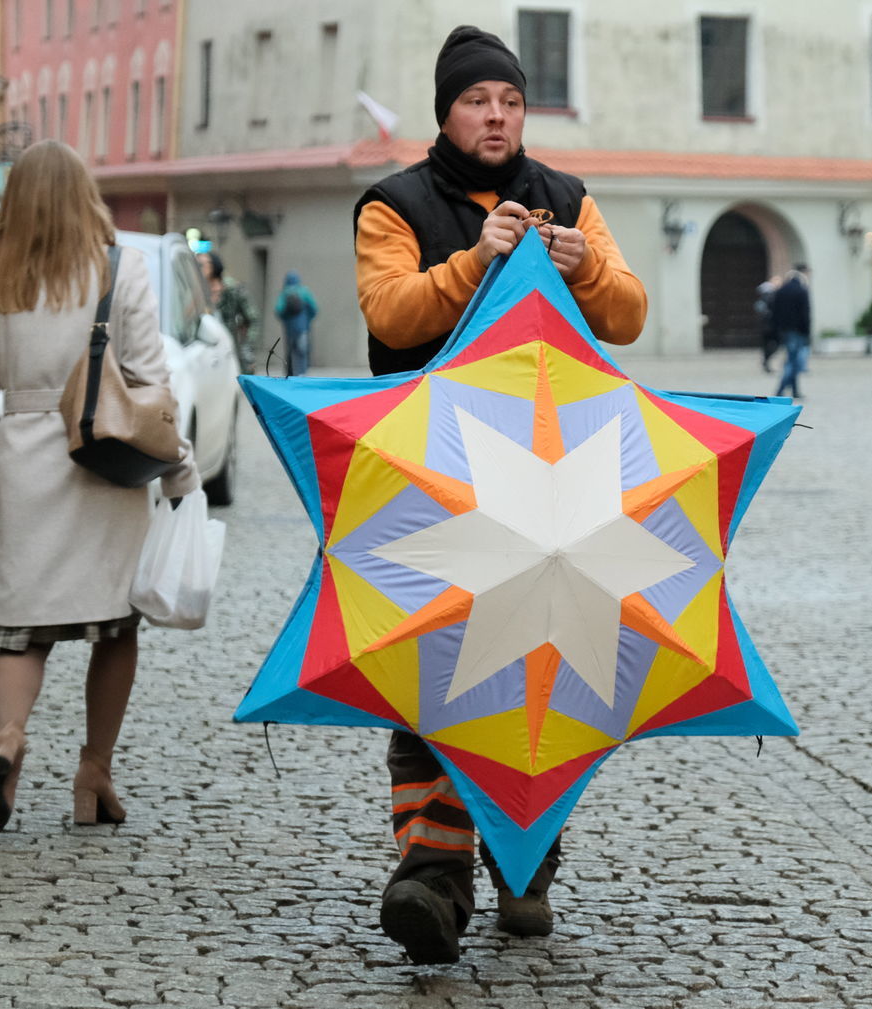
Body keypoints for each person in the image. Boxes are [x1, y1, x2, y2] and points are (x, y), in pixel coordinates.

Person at [352, 24, 647, 965]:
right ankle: (434, 875)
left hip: (552, 481)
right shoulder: (394, 204)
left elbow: (630, 314)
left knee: (548, 667)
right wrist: (475, 261)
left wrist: (586, 266)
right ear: (446, 110)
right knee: (428, 665)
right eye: (479, 101)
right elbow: (390, 314)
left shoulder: (566, 197)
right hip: (427, 482)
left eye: (511, 102)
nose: (496, 116)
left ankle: (526, 861)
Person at [0, 140, 198, 835]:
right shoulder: (118, 269)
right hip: (103, 460)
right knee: (114, 625)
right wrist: (177, 461)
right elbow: (150, 376)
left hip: (25, 462)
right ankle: (94, 771)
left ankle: (8, 737)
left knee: (20, 628)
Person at [199, 251, 259, 373]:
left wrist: (248, 346)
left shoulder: (232, 289)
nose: (200, 267)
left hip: (230, 350)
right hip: (203, 352)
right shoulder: (195, 290)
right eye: (198, 264)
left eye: (204, 264)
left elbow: (253, 318)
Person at [771, 263, 811, 399]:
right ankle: (780, 389)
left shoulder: (782, 290)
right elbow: (805, 314)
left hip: (785, 330)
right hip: (798, 331)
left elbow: (775, 312)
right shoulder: (801, 290)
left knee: (792, 359)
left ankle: (794, 390)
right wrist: (806, 333)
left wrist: (777, 331)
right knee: (793, 362)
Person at [273, 271, 318, 375]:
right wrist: (308, 320)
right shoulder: (304, 292)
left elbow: (278, 310)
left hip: (289, 329)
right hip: (303, 327)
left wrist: (285, 319)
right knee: (302, 351)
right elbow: (315, 309)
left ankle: (290, 374)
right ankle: (302, 373)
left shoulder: (284, 293)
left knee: (290, 352)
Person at [754, 274, 782, 373]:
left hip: (767, 324)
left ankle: (766, 361)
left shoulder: (766, 293)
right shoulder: (769, 294)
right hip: (770, 324)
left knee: (768, 345)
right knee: (774, 343)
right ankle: (766, 360)